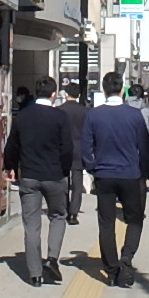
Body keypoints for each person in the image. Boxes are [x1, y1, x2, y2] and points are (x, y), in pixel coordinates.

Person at [82, 70, 149, 286]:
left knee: (106, 223)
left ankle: (112, 269)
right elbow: (145, 148)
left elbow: (85, 147)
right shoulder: (134, 115)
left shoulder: (94, 115)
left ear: (104, 89)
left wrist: (92, 168)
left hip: (104, 175)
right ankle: (127, 256)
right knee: (135, 218)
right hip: (131, 174)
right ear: (122, 89)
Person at [1, 75, 71, 287]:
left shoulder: (23, 116)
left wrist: (10, 167)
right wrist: (64, 170)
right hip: (55, 175)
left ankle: (35, 275)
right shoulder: (60, 117)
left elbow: (12, 146)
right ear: (53, 94)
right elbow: (67, 149)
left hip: (29, 176)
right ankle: (52, 259)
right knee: (58, 216)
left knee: (31, 225)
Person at [58, 81, 91, 224]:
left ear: (66, 94)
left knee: (63, 181)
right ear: (79, 95)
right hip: (79, 149)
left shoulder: (59, 110)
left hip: (62, 149)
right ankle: (73, 213)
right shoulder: (85, 111)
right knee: (77, 183)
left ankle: (64, 209)